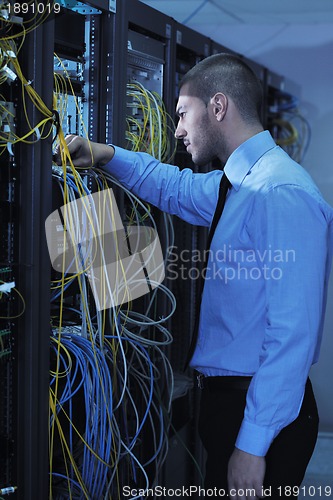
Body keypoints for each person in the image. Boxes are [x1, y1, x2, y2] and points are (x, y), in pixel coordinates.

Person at [55, 53, 333, 499]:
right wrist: (102, 154)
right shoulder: (239, 185)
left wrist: (252, 445)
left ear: (218, 106)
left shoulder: (280, 192)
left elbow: (293, 333)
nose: (178, 129)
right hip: (232, 405)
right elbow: (173, 187)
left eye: (183, 114)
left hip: (259, 414)